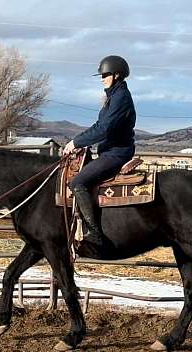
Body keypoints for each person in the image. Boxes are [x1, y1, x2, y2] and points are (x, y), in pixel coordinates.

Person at [63, 55, 136, 246]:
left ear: (117, 75)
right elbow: (100, 125)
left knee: (78, 182)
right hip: (110, 151)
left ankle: (94, 232)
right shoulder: (114, 96)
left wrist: (76, 143)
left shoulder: (120, 98)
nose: (102, 78)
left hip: (117, 153)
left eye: (105, 74)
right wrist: (79, 141)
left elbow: (104, 129)